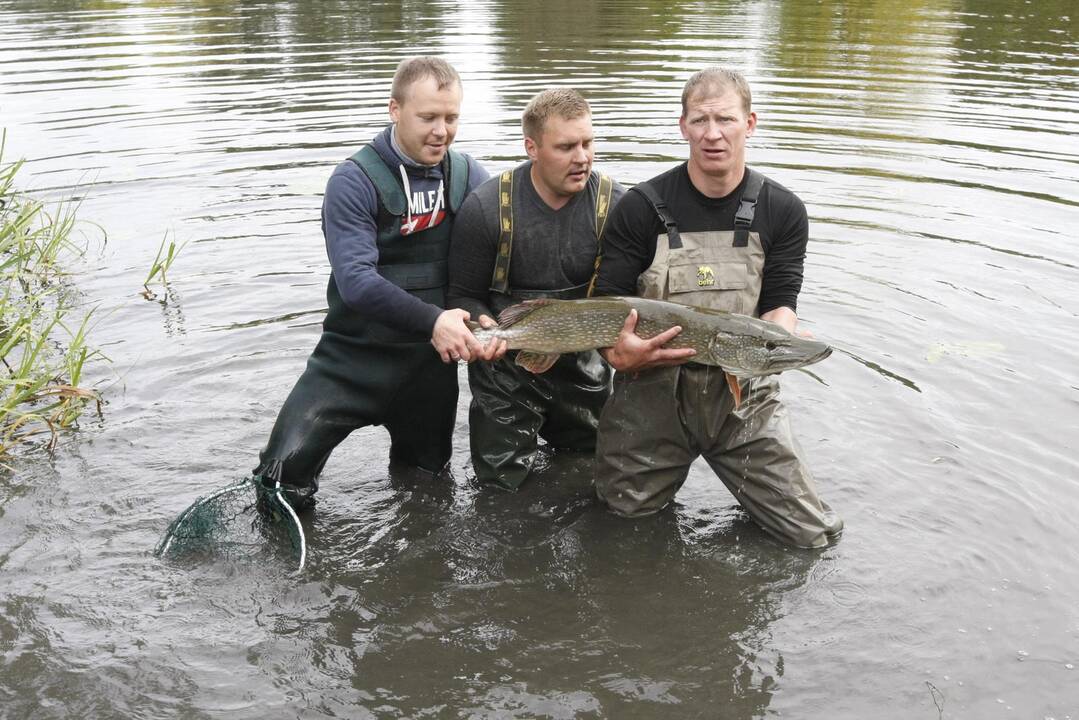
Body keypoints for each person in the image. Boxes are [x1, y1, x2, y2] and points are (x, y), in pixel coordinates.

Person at [590, 67, 843, 548]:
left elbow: (779, 303)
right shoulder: (640, 208)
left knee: (812, 537)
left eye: (725, 119)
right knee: (619, 532)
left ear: (749, 123)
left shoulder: (784, 210)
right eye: (700, 120)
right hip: (650, 396)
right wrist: (616, 356)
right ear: (682, 125)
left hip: (744, 399)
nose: (712, 134)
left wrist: (781, 342)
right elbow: (607, 304)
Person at [253, 56, 491, 509]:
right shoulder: (353, 182)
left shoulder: (468, 177)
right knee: (278, 483)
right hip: (349, 364)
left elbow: (503, 256)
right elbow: (357, 283)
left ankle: (417, 570)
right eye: (428, 118)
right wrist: (434, 321)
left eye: (451, 117)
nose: (441, 130)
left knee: (427, 487)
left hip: (429, 372)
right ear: (394, 110)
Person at [447, 88, 625, 490]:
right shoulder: (486, 208)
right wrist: (483, 326)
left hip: (585, 363)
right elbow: (460, 295)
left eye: (587, 143)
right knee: (500, 489)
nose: (582, 157)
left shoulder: (616, 206)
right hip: (504, 370)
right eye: (566, 147)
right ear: (532, 147)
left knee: (592, 475)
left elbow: (627, 295)